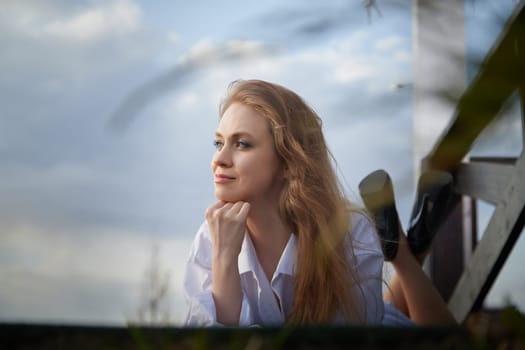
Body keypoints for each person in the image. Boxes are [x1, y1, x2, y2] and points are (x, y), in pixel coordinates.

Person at [183, 79, 455, 326]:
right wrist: (224, 259)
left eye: (242, 144)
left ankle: (402, 254)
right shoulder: (212, 235)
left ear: (289, 162)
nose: (219, 159)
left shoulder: (349, 232)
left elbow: (357, 337)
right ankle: (403, 249)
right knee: (389, 308)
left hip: (376, 341)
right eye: (218, 143)